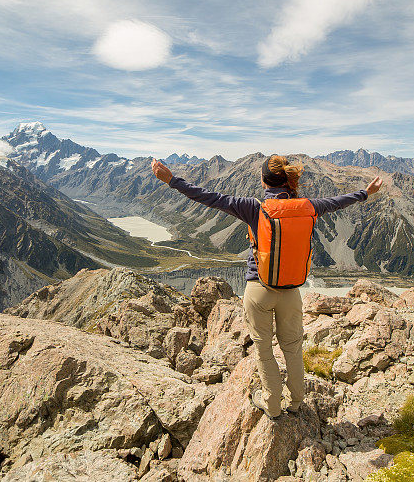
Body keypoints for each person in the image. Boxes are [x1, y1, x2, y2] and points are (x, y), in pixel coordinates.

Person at [151, 154, 383, 420]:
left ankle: (272, 405)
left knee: (263, 349)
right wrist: (365, 193)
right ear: (287, 181)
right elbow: (337, 203)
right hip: (291, 291)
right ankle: (296, 402)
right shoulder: (308, 206)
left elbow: (208, 197)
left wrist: (171, 180)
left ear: (264, 181)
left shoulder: (254, 207)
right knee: (293, 348)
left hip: (258, 289)